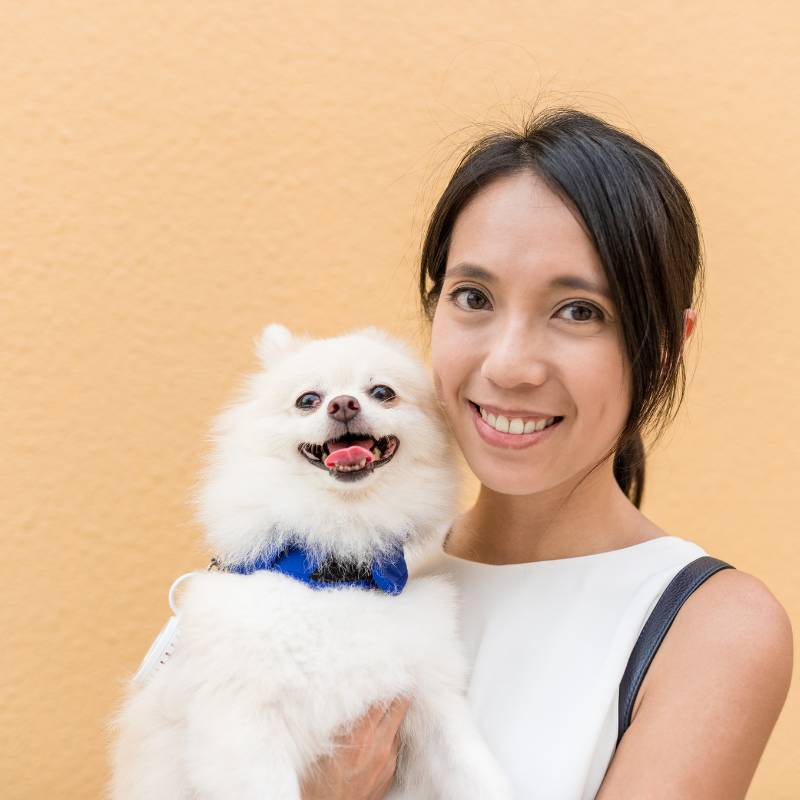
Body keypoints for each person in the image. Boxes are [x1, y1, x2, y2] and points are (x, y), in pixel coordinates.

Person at [300, 108, 793, 799]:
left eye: (579, 311)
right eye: (473, 297)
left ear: (666, 343)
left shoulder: (708, 626)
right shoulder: (334, 566)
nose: (509, 366)